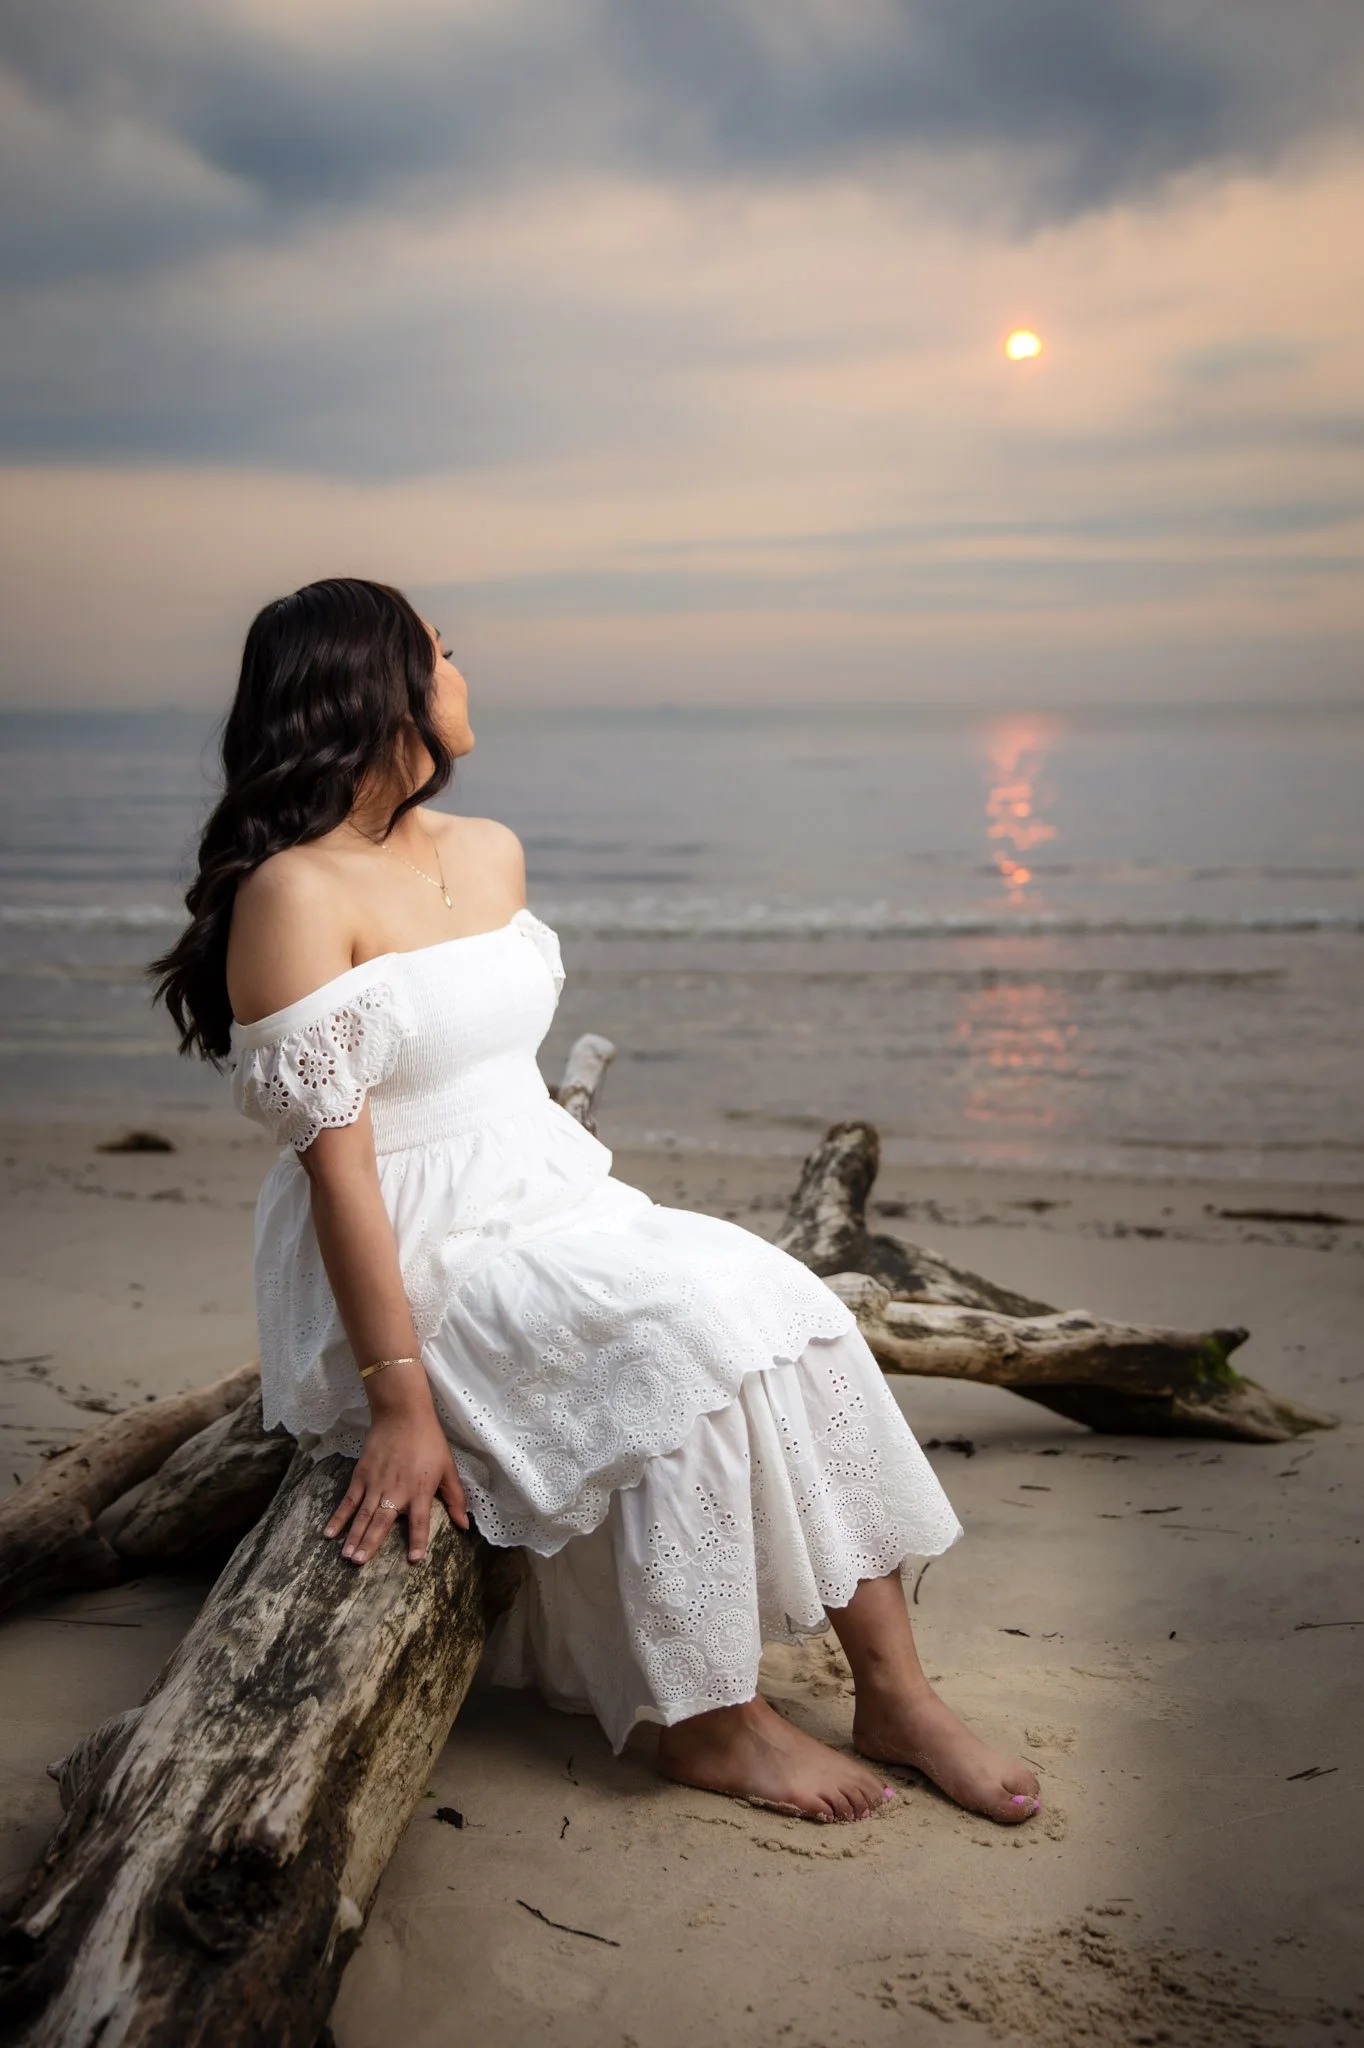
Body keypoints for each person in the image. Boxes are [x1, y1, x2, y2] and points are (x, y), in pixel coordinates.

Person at [153, 577, 1041, 1828]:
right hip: (417, 1250)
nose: (463, 675)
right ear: (374, 687)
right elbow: (339, 1173)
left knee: (790, 1300)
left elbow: (487, 1068)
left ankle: (895, 1691)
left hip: (555, 1193)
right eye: (443, 655)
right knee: (679, 1338)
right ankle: (708, 1721)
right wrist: (399, 1398)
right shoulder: (294, 891)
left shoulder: (488, 848)